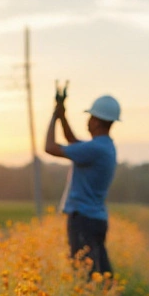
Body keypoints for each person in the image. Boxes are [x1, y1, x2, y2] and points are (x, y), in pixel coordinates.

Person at [44, 93, 121, 275]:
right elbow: (72, 139)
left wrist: (54, 115)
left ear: (95, 121)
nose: (88, 121)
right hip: (95, 218)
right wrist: (62, 115)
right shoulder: (104, 146)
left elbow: (49, 147)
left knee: (85, 275)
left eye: (90, 117)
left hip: (83, 219)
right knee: (98, 272)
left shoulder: (94, 149)